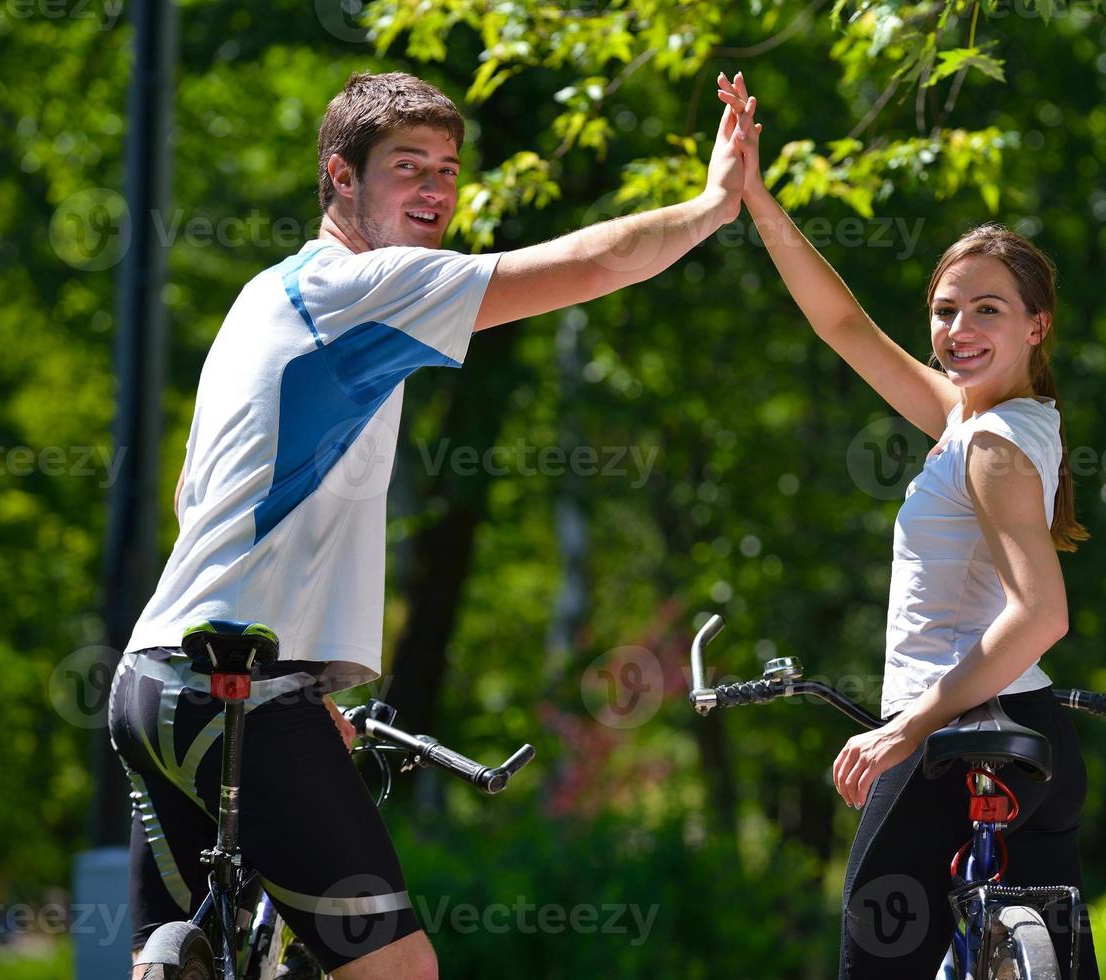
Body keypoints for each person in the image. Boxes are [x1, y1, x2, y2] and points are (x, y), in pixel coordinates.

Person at [109, 70, 752, 979]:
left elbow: (196, 492)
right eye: (407, 168)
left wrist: (308, 671)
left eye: (448, 171)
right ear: (341, 175)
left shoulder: (265, 293)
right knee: (399, 971)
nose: (436, 192)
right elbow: (591, 265)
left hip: (153, 681)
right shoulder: (368, 285)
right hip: (240, 696)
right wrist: (710, 205)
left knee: (174, 958)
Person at [715, 73, 1096, 978]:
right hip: (1035, 738)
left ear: (1037, 326)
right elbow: (844, 325)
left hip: (946, 738)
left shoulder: (989, 442)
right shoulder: (987, 421)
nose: (957, 327)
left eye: (987, 309)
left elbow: (1040, 616)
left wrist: (905, 728)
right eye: (944, 310)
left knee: (874, 961)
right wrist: (755, 200)